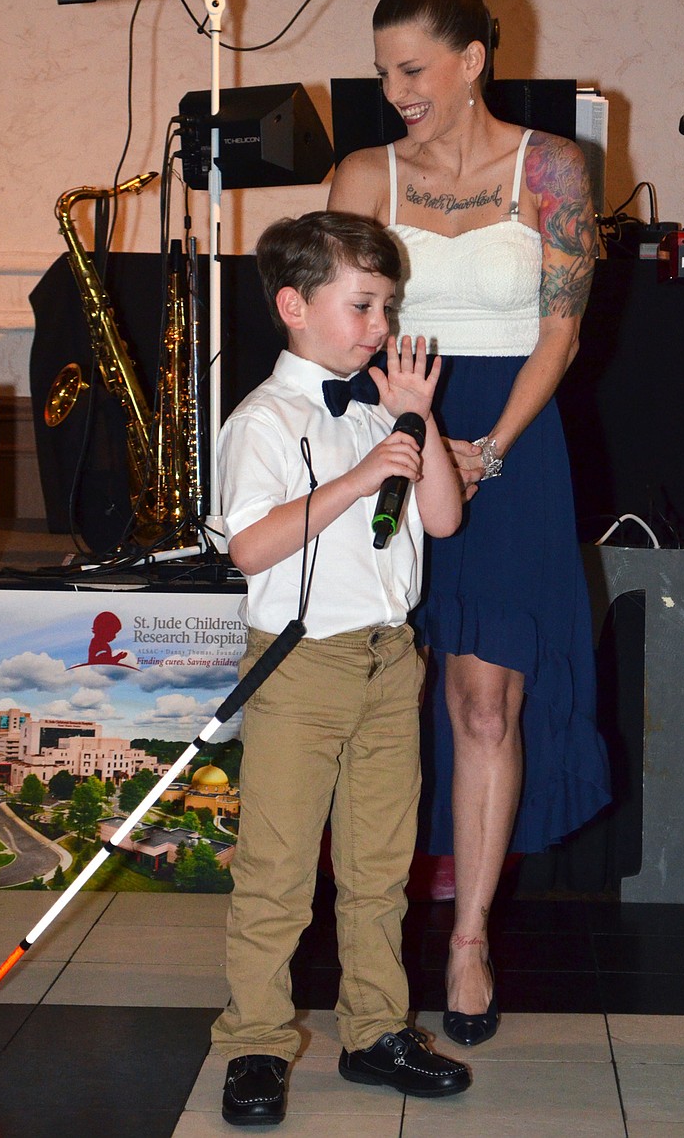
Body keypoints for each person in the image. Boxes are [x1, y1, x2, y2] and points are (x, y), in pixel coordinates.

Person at [328, 0, 611, 1047]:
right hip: (390, 434)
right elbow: (340, 325)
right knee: (381, 695)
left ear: (472, 60)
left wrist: (484, 446)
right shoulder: (364, 175)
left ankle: (469, 937)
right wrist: (406, 429)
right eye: (384, 74)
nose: (395, 93)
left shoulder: (555, 170)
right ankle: (369, 927)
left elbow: (561, 332)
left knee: (485, 702)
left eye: (412, 71)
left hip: (512, 445)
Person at [211, 211, 469, 1126]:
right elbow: (250, 547)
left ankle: (374, 1028)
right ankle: (254, 1041)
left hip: (389, 662)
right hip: (301, 670)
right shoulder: (263, 420)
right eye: (362, 304)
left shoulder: (376, 411)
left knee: (379, 867)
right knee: (277, 869)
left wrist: (418, 419)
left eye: (387, 306)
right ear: (294, 306)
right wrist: (357, 480)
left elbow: (443, 519)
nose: (380, 326)